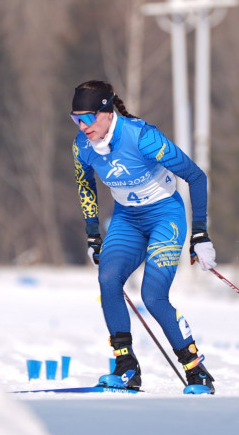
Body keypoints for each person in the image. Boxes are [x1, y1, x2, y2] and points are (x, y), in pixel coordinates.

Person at [70, 80, 217, 394]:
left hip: (165, 216)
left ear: (107, 112)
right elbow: (86, 187)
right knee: (108, 280)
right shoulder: (82, 146)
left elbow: (195, 176)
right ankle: (126, 368)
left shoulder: (143, 137)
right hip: (127, 220)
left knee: (153, 297)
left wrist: (201, 234)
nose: (82, 127)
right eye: (75, 119)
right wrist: (93, 235)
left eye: (87, 118)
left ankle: (195, 370)